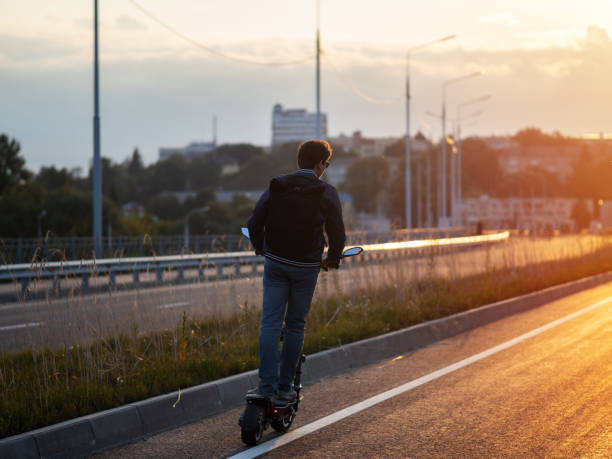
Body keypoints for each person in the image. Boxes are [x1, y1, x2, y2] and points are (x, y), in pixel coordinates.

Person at [246, 139, 346, 402]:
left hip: (276, 262)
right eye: (326, 163)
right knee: (294, 326)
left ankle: (265, 387)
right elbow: (337, 233)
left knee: (269, 323)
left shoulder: (277, 185)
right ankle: (285, 387)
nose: (325, 168)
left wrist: (262, 249)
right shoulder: (327, 192)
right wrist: (332, 260)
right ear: (318, 164)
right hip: (306, 267)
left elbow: (254, 222)